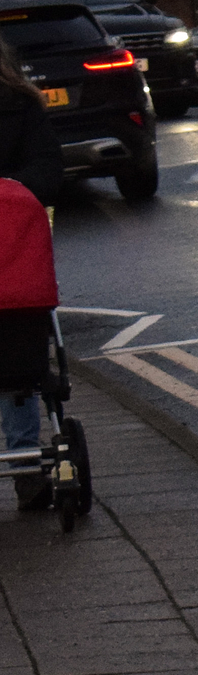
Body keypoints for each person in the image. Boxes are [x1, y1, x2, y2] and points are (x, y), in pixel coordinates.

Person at [0, 42, 61, 509]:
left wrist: (12, 192)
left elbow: (46, 170)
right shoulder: (24, 107)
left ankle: (24, 463)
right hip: (15, 240)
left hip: (12, 241)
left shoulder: (22, 108)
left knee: (17, 360)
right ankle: (22, 460)